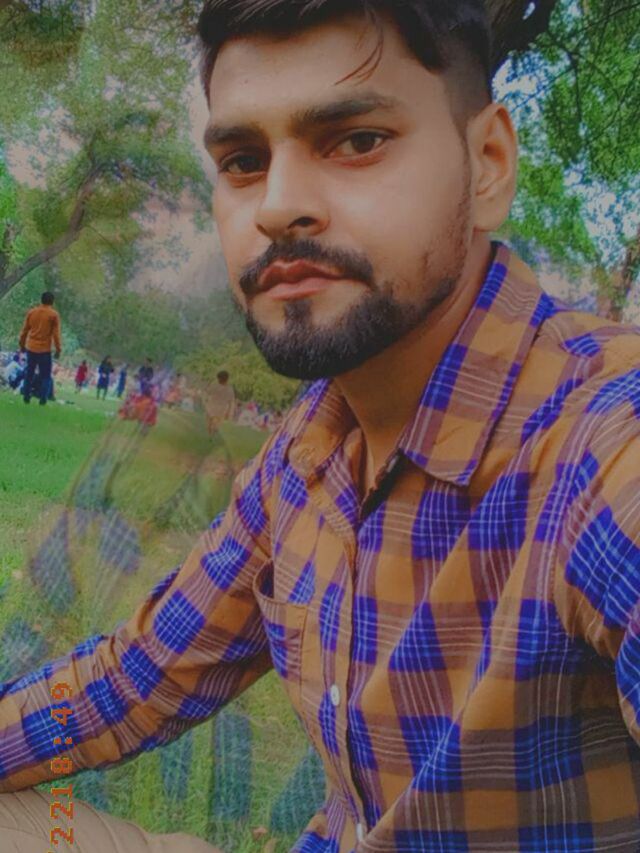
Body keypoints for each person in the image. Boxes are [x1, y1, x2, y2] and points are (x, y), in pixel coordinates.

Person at [1, 3, 640, 852]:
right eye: (243, 161)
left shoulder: (598, 440)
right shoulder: (307, 453)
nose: (278, 207)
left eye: (357, 140)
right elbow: (136, 678)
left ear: (487, 164)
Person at [18, 291, 61, 406]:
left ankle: (26, 396)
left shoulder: (32, 312)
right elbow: (56, 334)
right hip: (44, 349)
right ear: (52, 302)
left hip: (31, 347)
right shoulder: (53, 315)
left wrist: (22, 345)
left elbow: (24, 331)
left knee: (29, 373)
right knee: (46, 376)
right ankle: (43, 399)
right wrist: (58, 349)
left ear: (41, 300)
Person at [203, 370, 236, 435]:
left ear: (219, 378)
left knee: (209, 425)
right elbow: (231, 402)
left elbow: (207, 392)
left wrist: (205, 401)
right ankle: (213, 433)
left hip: (211, 408)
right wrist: (230, 413)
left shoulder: (214, 386)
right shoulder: (230, 389)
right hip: (221, 410)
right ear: (227, 379)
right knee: (216, 425)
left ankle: (210, 434)